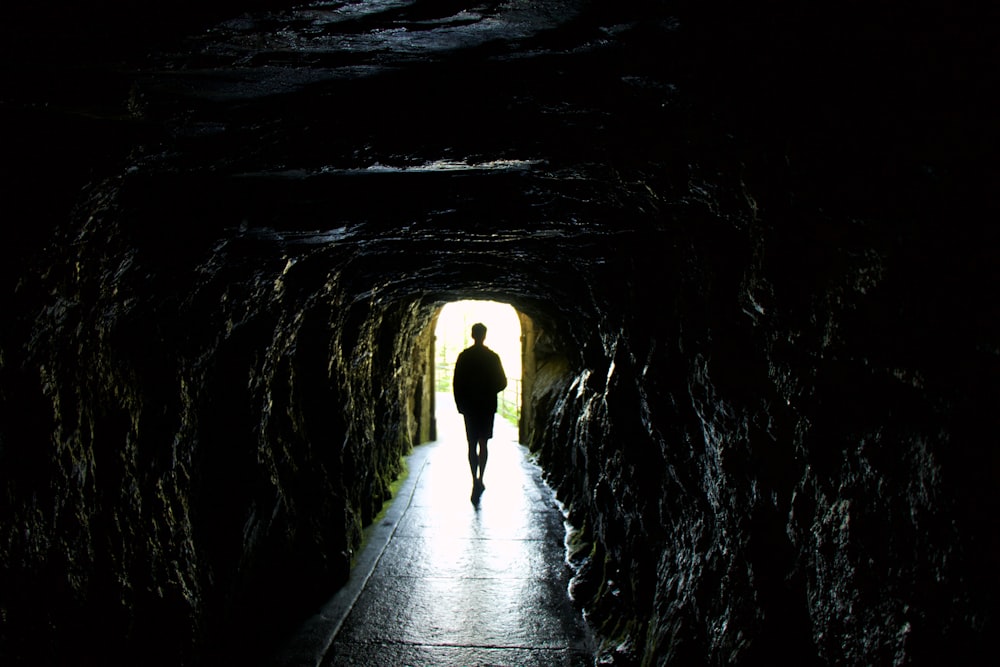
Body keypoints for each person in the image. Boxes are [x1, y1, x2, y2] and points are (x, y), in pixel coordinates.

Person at [453, 322, 507, 499]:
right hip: (486, 406)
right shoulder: (492, 357)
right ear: (485, 335)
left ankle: (473, 479)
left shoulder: (464, 357)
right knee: (484, 443)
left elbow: (457, 383)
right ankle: (481, 478)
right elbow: (503, 382)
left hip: (470, 407)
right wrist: (489, 390)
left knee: (471, 443)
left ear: (472, 335)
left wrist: (461, 404)